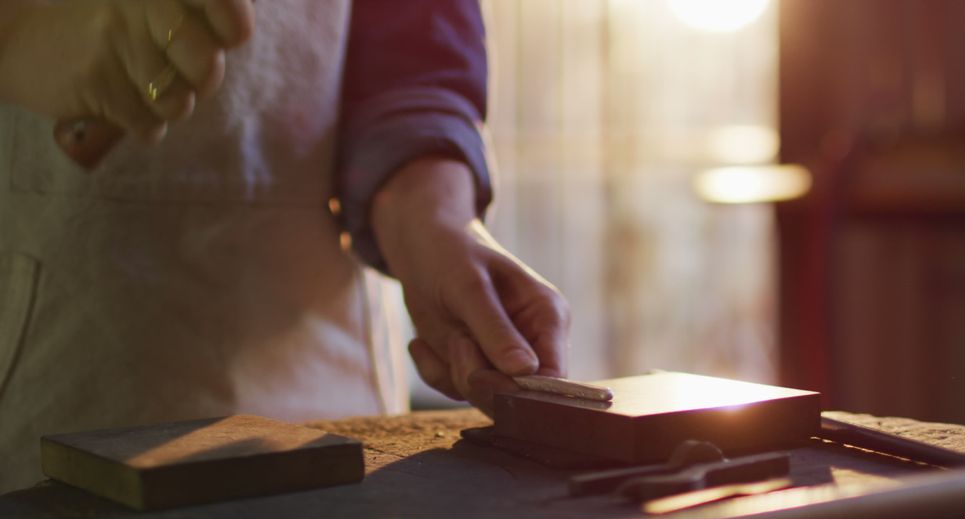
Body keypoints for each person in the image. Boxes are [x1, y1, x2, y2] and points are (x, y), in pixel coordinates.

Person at [0, 0, 569, 492]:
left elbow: (414, 60)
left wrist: (432, 222)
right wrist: (17, 33)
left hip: (327, 408)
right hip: (43, 402)